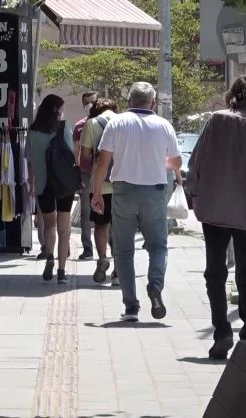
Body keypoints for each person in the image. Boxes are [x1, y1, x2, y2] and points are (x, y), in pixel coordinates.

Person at [185, 74, 246, 360]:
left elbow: (198, 160)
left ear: (233, 95)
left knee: (214, 272)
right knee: (245, 273)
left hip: (214, 208)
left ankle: (221, 330)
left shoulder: (217, 120)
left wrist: (192, 193)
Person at [91, 82, 182, 322]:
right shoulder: (164, 125)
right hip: (154, 193)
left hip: (123, 192)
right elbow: (176, 163)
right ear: (152, 103)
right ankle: (155, 286)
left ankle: (131, 307)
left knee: (123, 251)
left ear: (129, 101)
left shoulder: (117, 123)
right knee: (158, 246)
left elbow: (102, 162)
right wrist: (160, 163)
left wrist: (97, 193)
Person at [26, 94, 75, 284]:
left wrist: (31, 184)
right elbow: (70, 156)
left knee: (49, 225)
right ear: (56, 109)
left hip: (43, 185)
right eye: (61, 108)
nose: (62, 111)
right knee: (64, 229)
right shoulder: (64, 129)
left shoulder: (32, 132)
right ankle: (62, 272)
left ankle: (49, 257)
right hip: (64, 184)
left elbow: (30, 161)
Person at [80, 98, 120, 286]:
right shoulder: (124, 121)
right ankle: (119, 268)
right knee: (120, 228)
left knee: (100, 225)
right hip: (121, 184)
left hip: (99, 185)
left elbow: (85, 156)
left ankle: (103, 258)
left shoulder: (92, 124)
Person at [73, 91, 99, 260]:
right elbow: (76, 152)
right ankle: (87, 247)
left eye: (92, 102)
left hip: (105, 174)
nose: (90, 105)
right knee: (86, 211)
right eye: (87, 102)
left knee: (107, 211)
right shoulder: (79, 126)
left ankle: (110, 245)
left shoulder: (106, 123)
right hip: (86, 173)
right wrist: (77, 173)